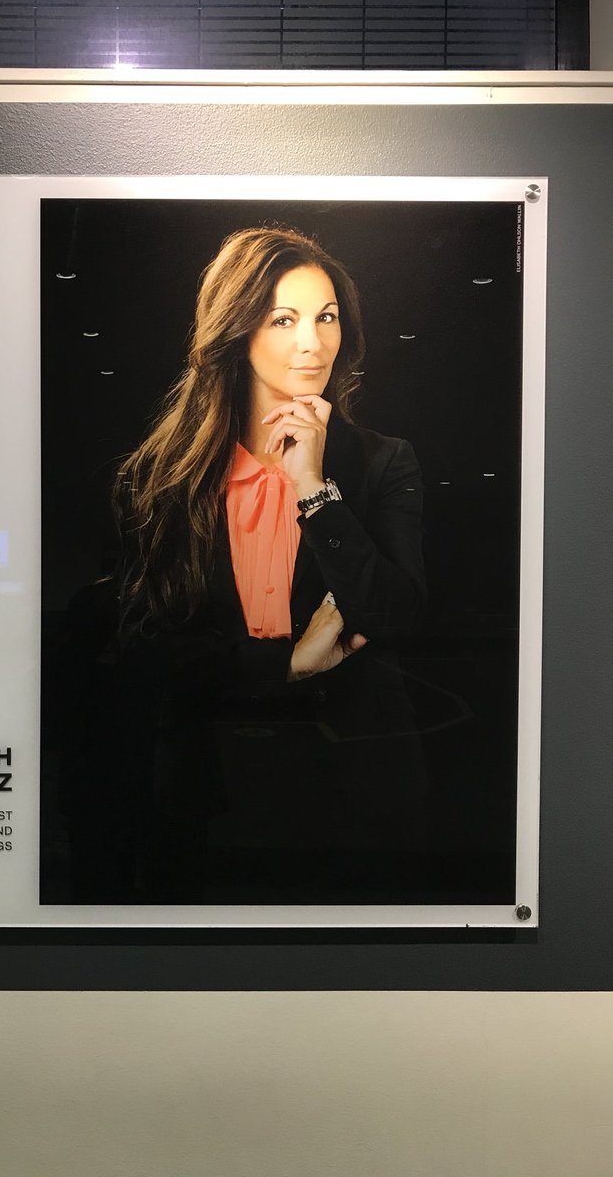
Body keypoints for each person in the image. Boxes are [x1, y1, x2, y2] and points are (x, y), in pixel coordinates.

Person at [54, 225, 427, 904]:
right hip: (201, 790)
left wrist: (314, 489)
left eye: (326, 317)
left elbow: (398, 618)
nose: (313, 342)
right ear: (238, 329)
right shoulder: (163, 477)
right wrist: (284, 664)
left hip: (348, 790)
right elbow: (147, 644)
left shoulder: (382, 462)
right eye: (284, 319)